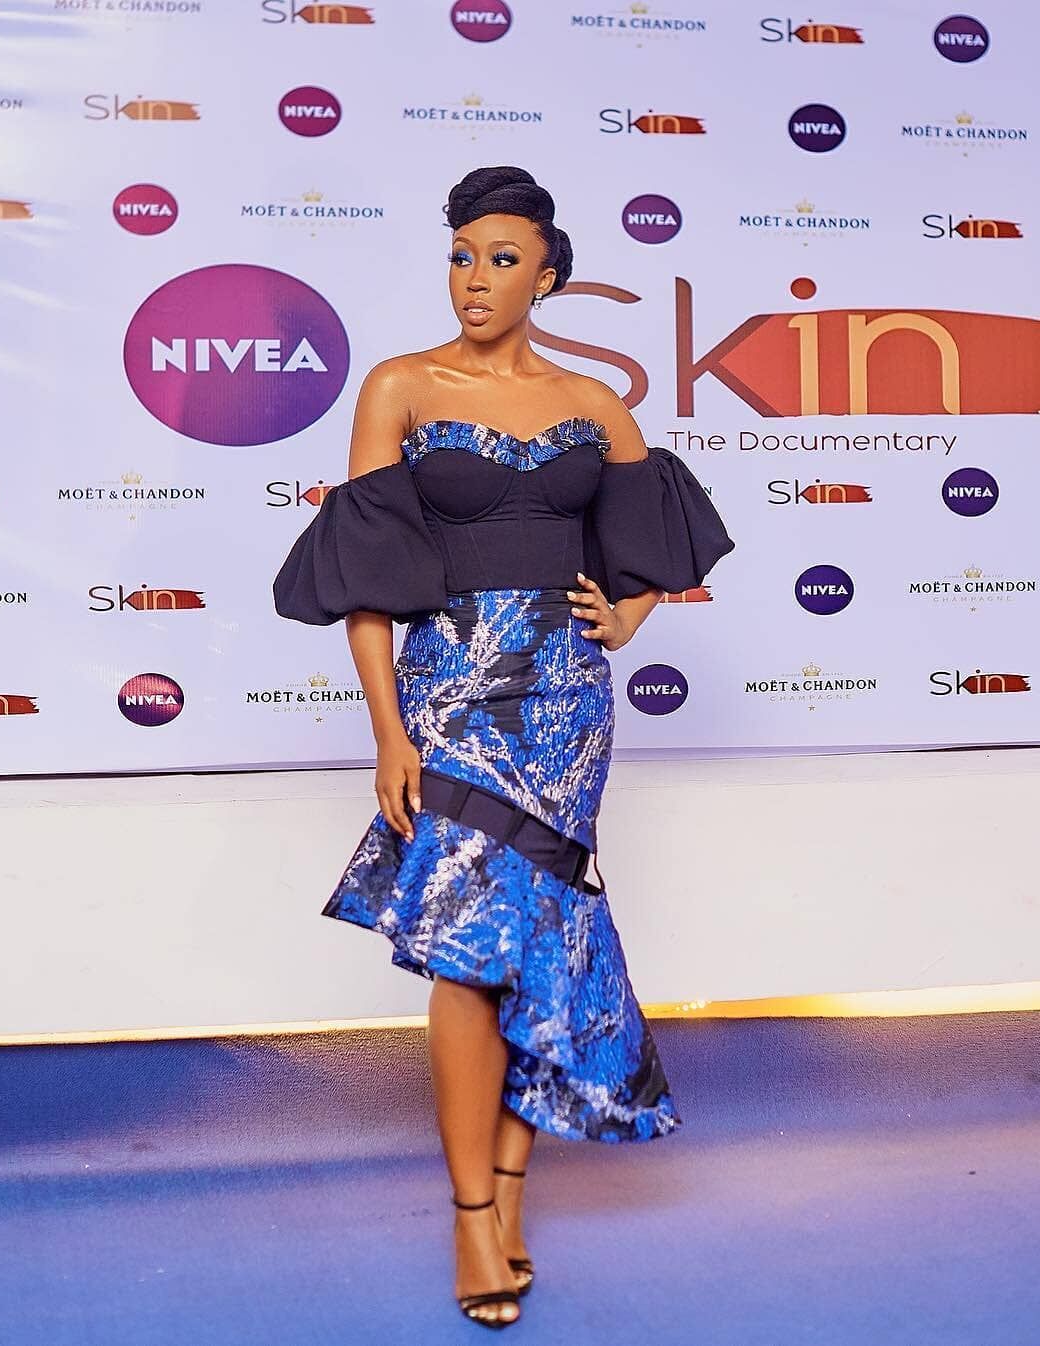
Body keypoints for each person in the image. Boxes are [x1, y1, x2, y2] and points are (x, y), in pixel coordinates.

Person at [273, 165, 734, 1328]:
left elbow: (655, 542)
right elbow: (365, 580)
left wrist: (626, 615)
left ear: (549, 277)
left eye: (502, 259)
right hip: (448, 698)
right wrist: (388, 732)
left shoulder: (593, 401)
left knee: (540, 945)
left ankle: (514, 1195)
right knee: (465, 951)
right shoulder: (400, 385)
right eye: (462, 256)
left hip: (566, 709)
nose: (475, 278)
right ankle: (472, 1212)